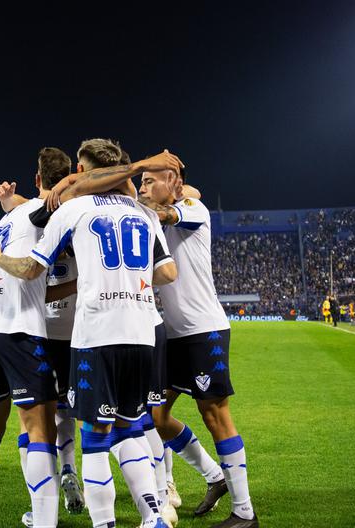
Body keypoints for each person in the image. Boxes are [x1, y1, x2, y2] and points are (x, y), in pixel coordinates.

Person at [0, 138, 181, 528]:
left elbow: (31, 270)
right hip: (142, 334)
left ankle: (104, 522)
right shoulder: (145, 213)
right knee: (130, 427)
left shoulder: (73, 209)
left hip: (96, 335)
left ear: (84, 173)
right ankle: (153, 515)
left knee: (95, 437)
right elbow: (166, 273)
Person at [139, 167, 259, 528]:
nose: (143, 187)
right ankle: (214, 476)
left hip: (204, 331)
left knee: (216, 416)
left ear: (173, 183)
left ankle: (244, 512)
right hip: (174, 336)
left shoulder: (193, 208)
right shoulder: (159, 219)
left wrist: (146, 204)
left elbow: (167, 211)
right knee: (155, 417)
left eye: (149, 181)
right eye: (140, 181)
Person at [0, 148, 76, 528]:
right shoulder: (45, 209)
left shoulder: (5, 221)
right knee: (40, 429)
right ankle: (45, 522)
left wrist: (5, 200)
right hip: (21, 330)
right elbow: (71, 193)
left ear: (34, 179)